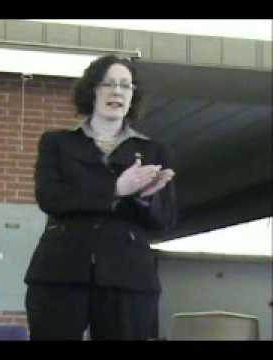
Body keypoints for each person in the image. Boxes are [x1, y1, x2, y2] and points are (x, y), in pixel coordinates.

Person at [24, 54, 177, 340]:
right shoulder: (57, 143)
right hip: (61, 272)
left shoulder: (155, 151)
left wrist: (146, 198)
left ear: (133, 95)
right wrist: (116, 190)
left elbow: (165, 220)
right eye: (108, 83)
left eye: (125, 85)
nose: (117, 91)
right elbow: (50, 197)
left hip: (128, 277)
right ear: (92, 90)